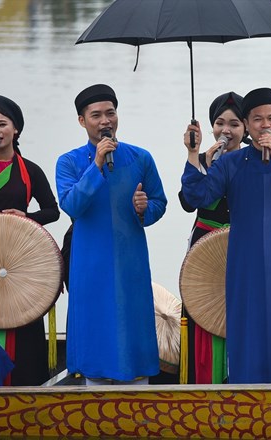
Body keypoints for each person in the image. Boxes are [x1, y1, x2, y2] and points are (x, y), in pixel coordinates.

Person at [181, 87, 271, 384]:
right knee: (248, 329)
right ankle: (247, 397)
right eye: (257, 119)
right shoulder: (231, 164)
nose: (265, 125)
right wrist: (194, 154)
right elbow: (198, 196)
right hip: (245, 265)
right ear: (248, 124)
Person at [56, 84, 167, 385]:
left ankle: (139, 399)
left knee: (132, 324)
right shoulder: (69, 162)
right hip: (90, 261)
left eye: (110, 113)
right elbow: (72, 205)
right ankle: (94, 400)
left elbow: (160, 202)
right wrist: (97, 166)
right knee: (95, 326)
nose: (105, 121)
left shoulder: (140, 158)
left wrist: (144, 209)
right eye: (96, 115)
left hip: (130, 257)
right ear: (82, 120)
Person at [0, 94, 60, 386]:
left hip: (17, 263)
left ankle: (24, 391)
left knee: (23, 326)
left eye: (2, 124)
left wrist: (26, 216)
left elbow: (53, 211)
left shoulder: (29, 169)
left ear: (15, 129)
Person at [177, 91, 246, 384]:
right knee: (203, 312)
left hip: (241, 246)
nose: (226, 130)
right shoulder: (203, 160)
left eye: (234, 124)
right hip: (204, 245)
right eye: (219, 123)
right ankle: (203, 381)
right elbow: (187, 202)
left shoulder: (253, 160)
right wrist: (193, 154)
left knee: (241, 312)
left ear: (246, 128)